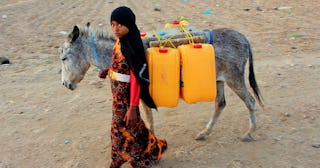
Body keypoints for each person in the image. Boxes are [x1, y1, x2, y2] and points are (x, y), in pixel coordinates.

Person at [99, 6, 167, 168]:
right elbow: (119, 63)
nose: (115, 29)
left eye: (119, 25)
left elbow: (136, 78)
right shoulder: (120, 41)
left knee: (117, 128)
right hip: (118, 96)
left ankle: (121, 160)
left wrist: (133, 107)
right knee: (134, 128)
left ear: (129, 24)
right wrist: (108, 71)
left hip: (127, 99)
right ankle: (153, 149)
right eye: (113, 24)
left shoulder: (132, 45)